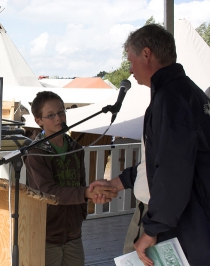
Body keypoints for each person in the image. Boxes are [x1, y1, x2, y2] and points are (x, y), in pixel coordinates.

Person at [96, 24, 210, 266]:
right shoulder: (189, 92)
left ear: (146, 54)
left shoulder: (170, 99)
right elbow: (160, 161)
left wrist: (152, 228)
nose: (130, 69)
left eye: (131, 59)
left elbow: (173, 171)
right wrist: (119, 182)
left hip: (184, 226)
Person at [24, 91, 118, 266]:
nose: (58, 118)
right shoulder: (35, 152)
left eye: (61, 112)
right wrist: (87, 193)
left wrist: (81, 211)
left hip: (74, 232)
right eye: (50, 115)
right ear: (38, 121)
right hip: (46, 234)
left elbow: (81, 182)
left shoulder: (76, 147)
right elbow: (48, 191)